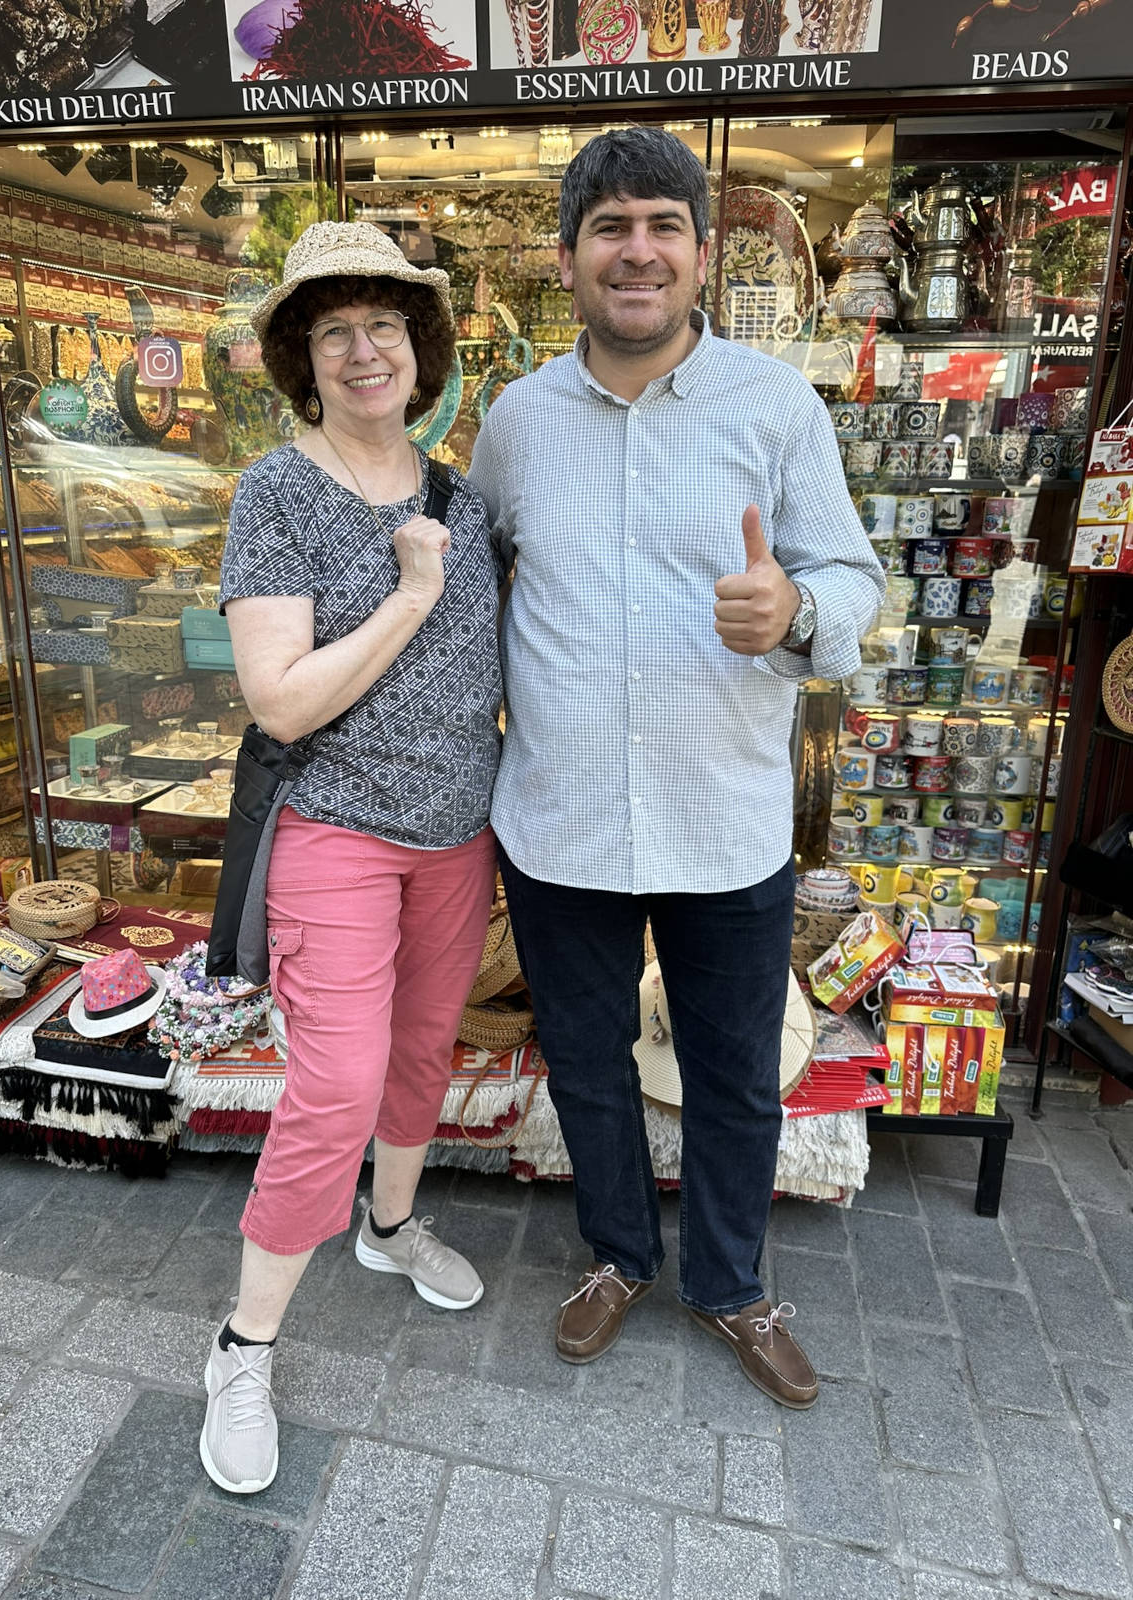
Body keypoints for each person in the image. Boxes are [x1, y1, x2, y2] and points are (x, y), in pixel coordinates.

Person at [469, 127, 885, 1411]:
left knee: (734, 1073)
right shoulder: (516, 424)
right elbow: (480, 589)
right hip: (561, 818)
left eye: (663, 226)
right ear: (568, 258)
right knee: (587, 1062)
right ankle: (618, 1255)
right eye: (610, 228)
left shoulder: (776, 407)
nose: (636, 251)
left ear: (703, 254)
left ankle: (729, 1281)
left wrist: (797, 611)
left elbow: (853, 578)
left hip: (724, 817)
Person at [201, 222, 502, 1493]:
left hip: (459, 835)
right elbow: (278, 701)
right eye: (335, 330)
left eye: (385, 323)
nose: (365, 349)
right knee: (335, 1083)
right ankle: (242, 1344)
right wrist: (412, 595)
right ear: (303, 359)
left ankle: (389, 1224)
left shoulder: (464, 497)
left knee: (424, 1050)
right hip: (335, 830)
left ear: (420, 348)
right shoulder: (276, 493)